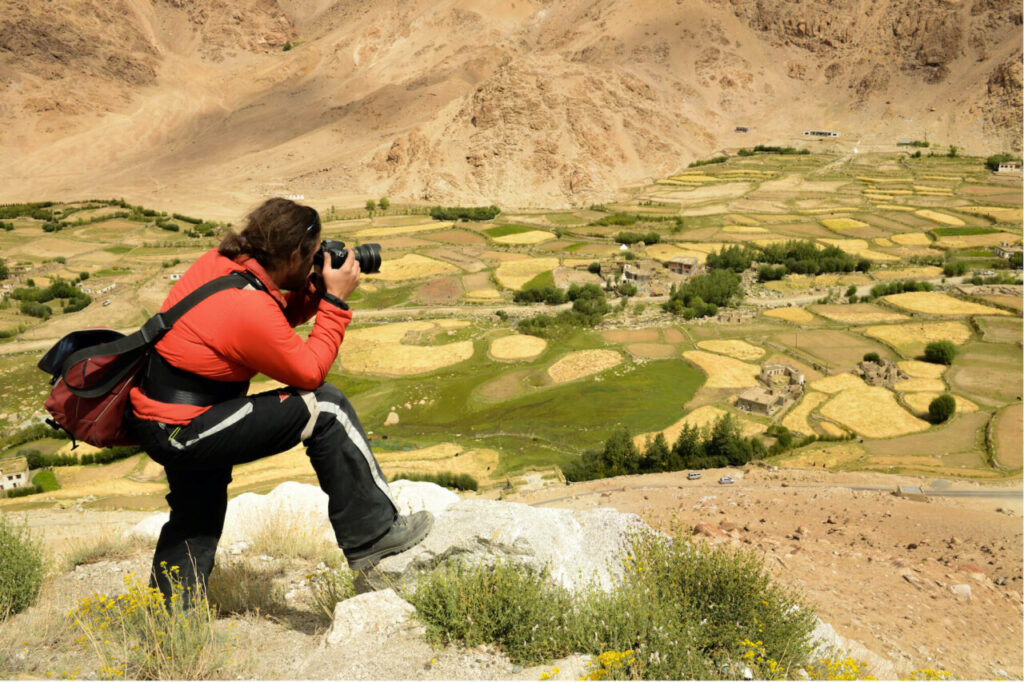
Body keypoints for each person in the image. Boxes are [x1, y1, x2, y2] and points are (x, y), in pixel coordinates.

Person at [125, 197, 432, 604]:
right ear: (290, 254)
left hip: (168, 420)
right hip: (186, 426)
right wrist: (335, 304)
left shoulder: (223, 265)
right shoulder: (246, 304)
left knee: (196, 516)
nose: (314, 264)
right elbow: (308, 372)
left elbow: (269, 319)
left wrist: (315, 289)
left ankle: (166, 622)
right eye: (310, 257)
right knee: (325, 407)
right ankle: (374, 535)